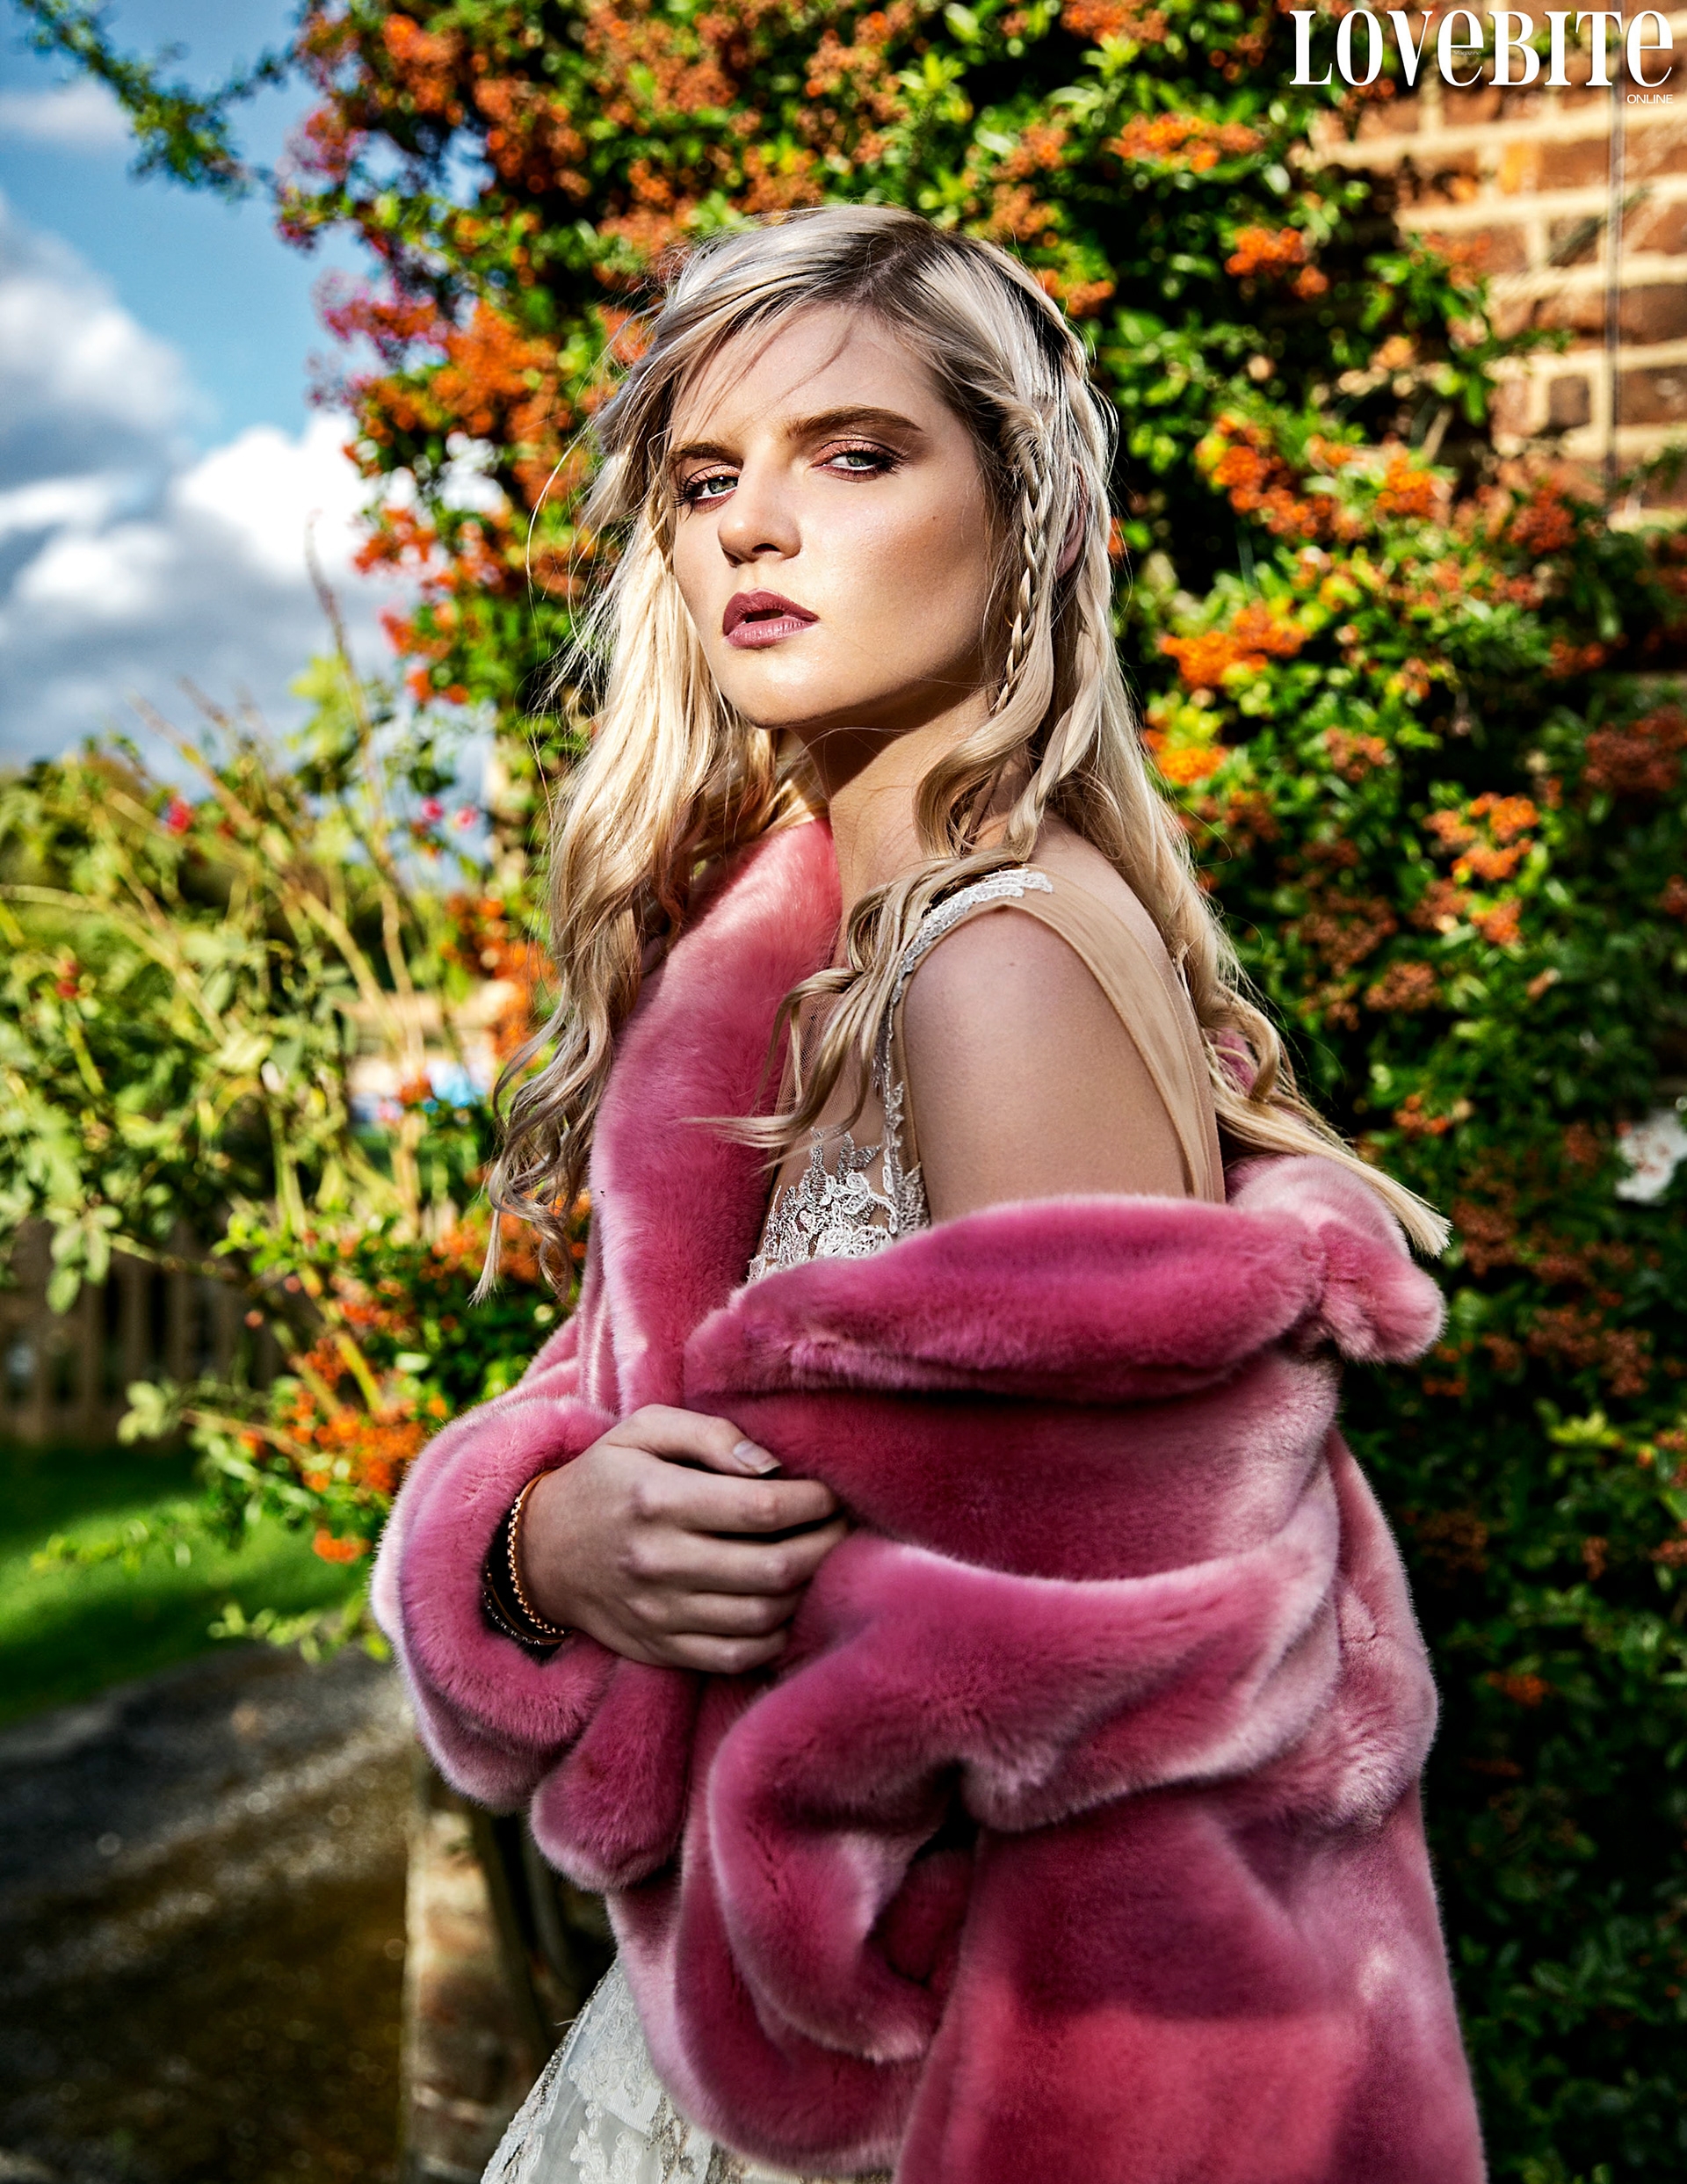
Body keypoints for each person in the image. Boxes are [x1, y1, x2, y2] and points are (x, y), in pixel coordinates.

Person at [373, 207, 1485, 2184]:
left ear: (1026, 512)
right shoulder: (799, 980)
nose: (751, 527)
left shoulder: (995, 966)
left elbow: (1121, 1749)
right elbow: (619, 1418)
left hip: (912, 2086)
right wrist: (534, 1546)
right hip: (767, 2033)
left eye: (857, 453)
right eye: (705, 480)